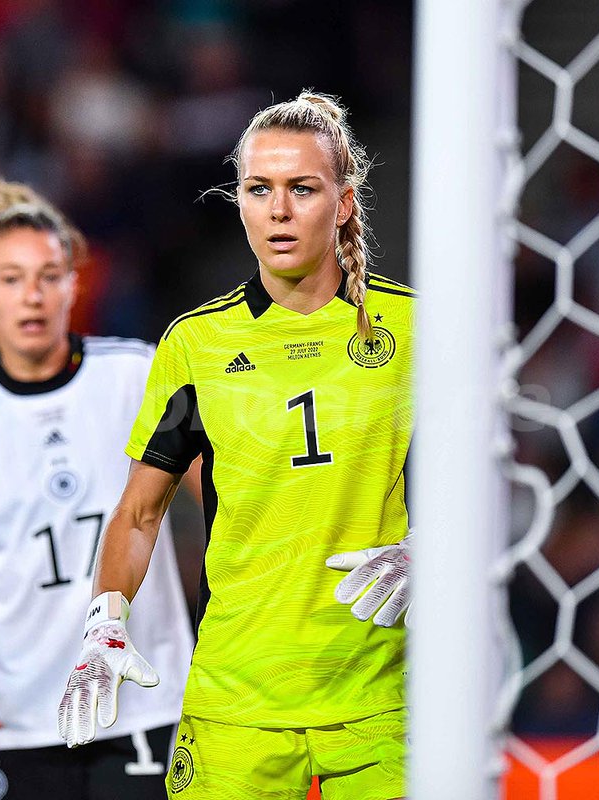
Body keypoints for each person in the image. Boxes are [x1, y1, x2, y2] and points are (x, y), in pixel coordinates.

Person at [55, 92, 414, 800]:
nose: (279, 210)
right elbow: (139, 512)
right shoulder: (197, 344)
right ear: (240, 202)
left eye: (302, 189)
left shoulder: (414, 329)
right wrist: (105, 621)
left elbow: (489, 482)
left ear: (343, 204)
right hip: (236, 705)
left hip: (387, 701)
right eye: (259, 190)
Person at [0, 179, 195, 800]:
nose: (32, 295)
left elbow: (221, 497)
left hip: (144, 703)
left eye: (49, 275)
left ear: (74, 285)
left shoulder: (138, 372)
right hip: (17, 715)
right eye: (10, 278)